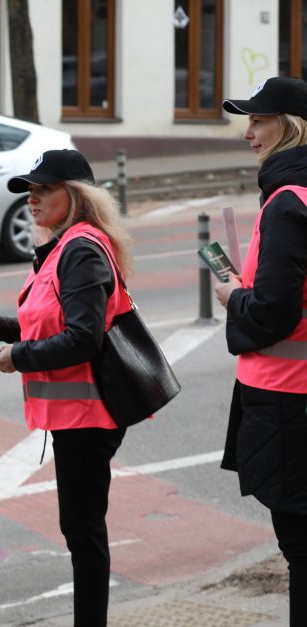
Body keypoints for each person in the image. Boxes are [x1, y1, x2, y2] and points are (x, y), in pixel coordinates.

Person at [0, 149, 134, 626]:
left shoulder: (81, 250)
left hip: (89, 417)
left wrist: (16, 357)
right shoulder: (64, 246)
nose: (33, 199)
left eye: (44, 189)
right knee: (81, 532)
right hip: (76, 416)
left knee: (84, 535)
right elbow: (50, 322)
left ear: (76, 195)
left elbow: (81, 339)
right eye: (30, 191)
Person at [216, 76, 307, 626]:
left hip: (286, 404)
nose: (248, 133)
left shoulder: (286, 203)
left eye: (259, 121)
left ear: (291, 129)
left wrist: (232, 296)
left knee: (301, 550)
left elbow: (273, 312)